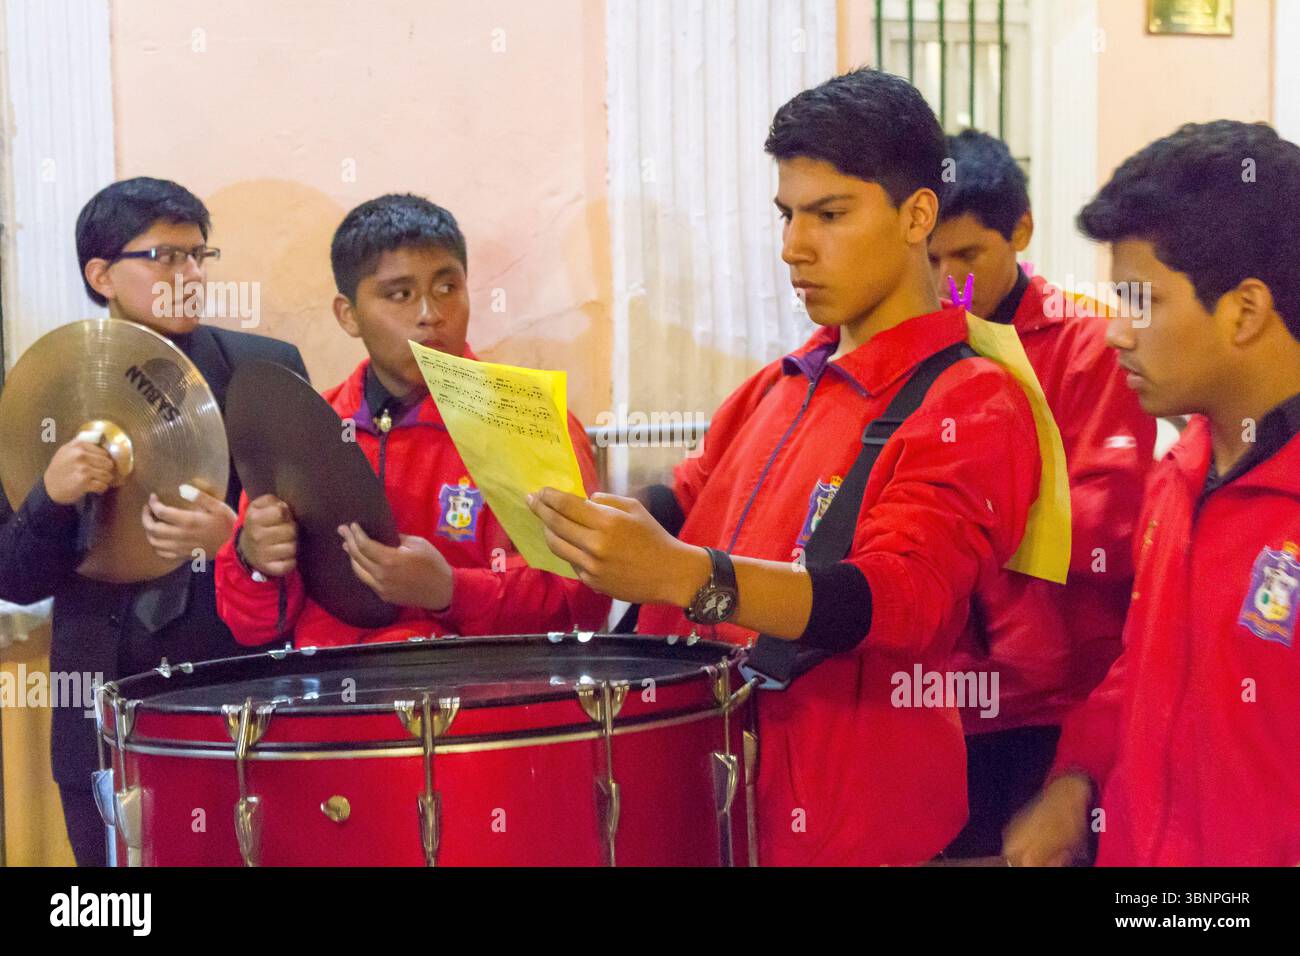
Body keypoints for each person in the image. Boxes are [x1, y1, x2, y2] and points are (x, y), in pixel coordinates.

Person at [529, 68, 1042, 866]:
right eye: (787, 215)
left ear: (917, 215)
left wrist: (685, 577)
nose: (793, 247)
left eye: (829, 215)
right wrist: (588, 515)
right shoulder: (782, 382)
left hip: (853, 826)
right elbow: (689, 500)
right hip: (713, 797)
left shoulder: (971, 400)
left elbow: (900, 598)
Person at [1004, 120, 1300, 866]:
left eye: (1143, 302)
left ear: (1245, 310)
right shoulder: (1181, 474)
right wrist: (1079, 776)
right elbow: (1148, 666)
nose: (1115, 334)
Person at [0, 177, 309, 865]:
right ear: (101, 274)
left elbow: (322, 553)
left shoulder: (263, 372)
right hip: (98, 717)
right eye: (166, 257)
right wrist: (49, 498)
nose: (191, 275)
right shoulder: (41, 387)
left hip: (233, 706)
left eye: (200, 255)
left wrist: (232, 544)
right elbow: (13, 580)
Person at [215, 194, 610, 647]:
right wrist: (254, 561)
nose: (430, 315)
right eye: (400, 294)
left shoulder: (525, 421)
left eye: (447, 288)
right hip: (337, 703)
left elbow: (583, 602)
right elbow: (253, 626)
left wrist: (451, 592)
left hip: (483, 702)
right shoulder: (303, 429)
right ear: (348, 316)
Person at [928, 130, 1155, 857]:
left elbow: (1107, 528)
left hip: (1051, 701)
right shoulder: (921, 345)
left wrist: (971, 519)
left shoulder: (1092, 344)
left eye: (967, 257)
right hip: (938, 700)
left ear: (1020, 232)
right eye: (931, 259)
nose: (947, 284)